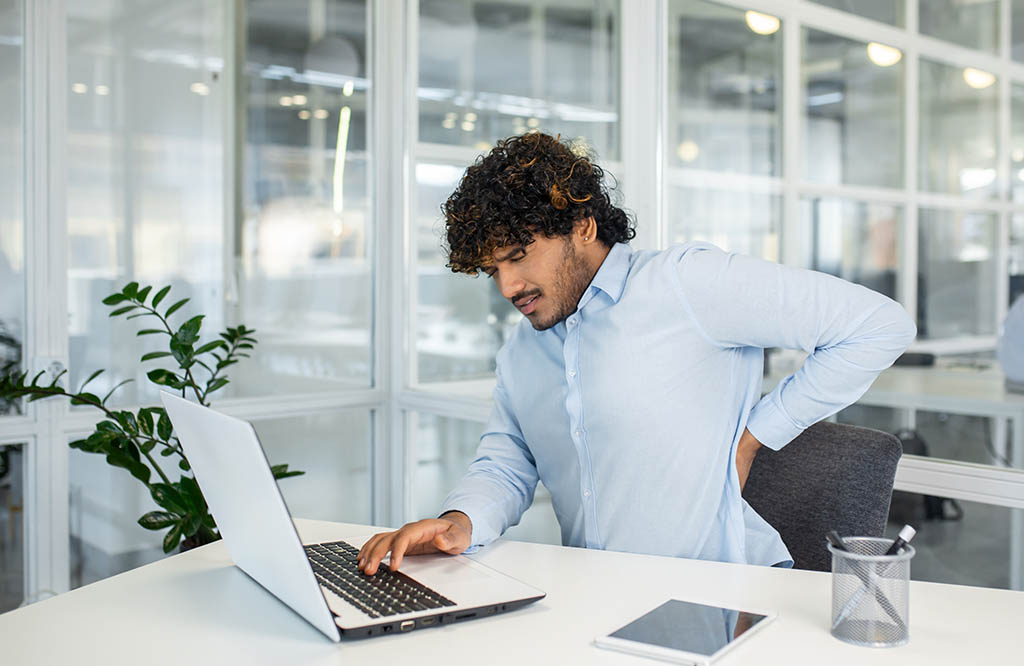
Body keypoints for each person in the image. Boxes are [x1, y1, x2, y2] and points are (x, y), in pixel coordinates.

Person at [358, 132, 916, 575]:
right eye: (493, 270)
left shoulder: (685, 285)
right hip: (596, 594)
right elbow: (509, 459)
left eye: (518, 256)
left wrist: (756, 435)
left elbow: (878, 326)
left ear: (582, 225)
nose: (507, 288)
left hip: (720, 592)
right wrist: (458, 521)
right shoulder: (523, 349)